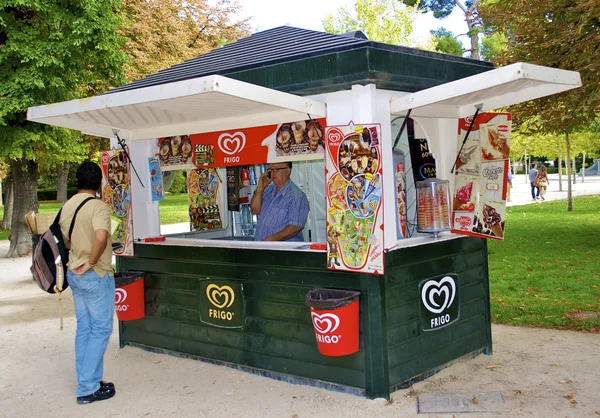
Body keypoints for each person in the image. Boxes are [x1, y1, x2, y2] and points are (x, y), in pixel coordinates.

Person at [59, 161, 116, 405]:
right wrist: (92, 261)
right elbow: (101, 237)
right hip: (95, 274)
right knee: (101, 329)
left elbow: (66, 241)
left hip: (74, 272)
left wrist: (80, 260)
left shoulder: (67, 206)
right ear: (99, 182)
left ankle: (88, 378)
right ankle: (87, 388)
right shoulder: (98, 207)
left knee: (84, 327)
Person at [251, 162, 309, 241]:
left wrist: (271, 239)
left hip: (283, 250)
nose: (273, 173)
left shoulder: (296, 196)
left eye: (276, 170)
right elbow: (255, 210)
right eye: (271, 170)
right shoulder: (268, 190)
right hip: (263, 247)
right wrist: (260, 188)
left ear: (288, 171)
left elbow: (295, 227)